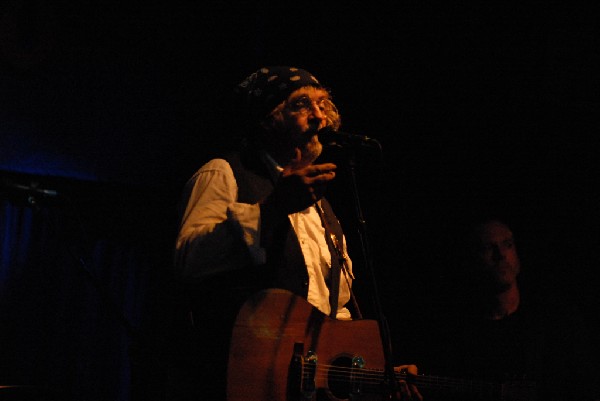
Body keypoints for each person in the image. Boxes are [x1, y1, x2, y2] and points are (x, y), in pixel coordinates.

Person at [167, 66, 422, 401]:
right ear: (267, 118)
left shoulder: (322, 207)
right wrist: (272, 209)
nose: (319, 118)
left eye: (322, 105)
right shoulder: (224, 173)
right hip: (247, 382)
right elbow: (187, 260)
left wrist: (376, 371)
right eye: (302, 105)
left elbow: (334, 310)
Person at [397, 217, 597, 401]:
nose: (500, 255)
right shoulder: (453, 332)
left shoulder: (557, 321)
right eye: (487, 248)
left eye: (507, 245)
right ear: (470, 260)